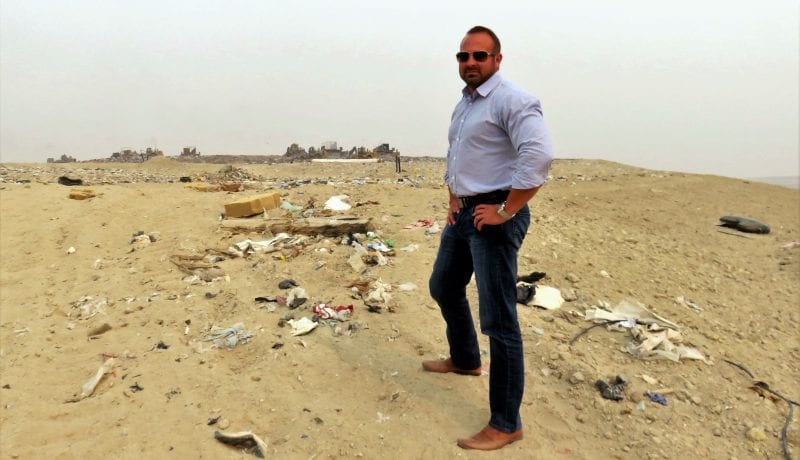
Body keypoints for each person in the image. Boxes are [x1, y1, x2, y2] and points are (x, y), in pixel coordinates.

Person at [423, 25, 553, 451]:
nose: (470, 63)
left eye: (480, 55)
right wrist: (453, 198)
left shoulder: (512, 100)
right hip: (464, 212)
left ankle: (506, 422)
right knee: (443, 285)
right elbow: (459, 154)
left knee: (498, 319)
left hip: (494, 217)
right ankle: (465, 359)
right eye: (464, 56)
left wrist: (506, 210)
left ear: (497, 59)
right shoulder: (465, 104)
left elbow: (538, 155)